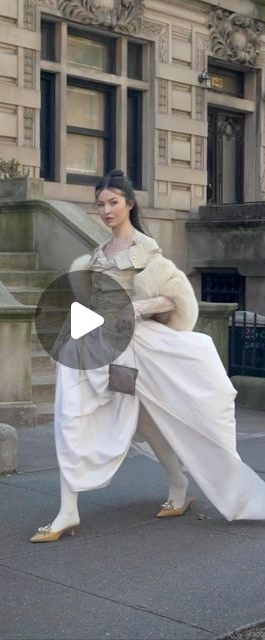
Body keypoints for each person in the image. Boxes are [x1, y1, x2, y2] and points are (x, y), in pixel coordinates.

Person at [30, 169, 265, 542]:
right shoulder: (96, 255)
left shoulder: (146, 250)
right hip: (94, 346)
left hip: (138, 346)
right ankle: (68, 510)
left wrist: (132, 310)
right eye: (101, 204)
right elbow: (86, 304)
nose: (106, 210)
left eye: (113, 202)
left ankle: (178, 486)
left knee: (152, 418)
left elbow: (173, 298)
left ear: (129, 204)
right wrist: (70, 335)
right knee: (72, 419)